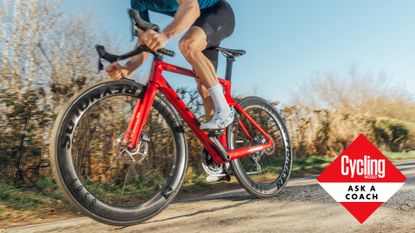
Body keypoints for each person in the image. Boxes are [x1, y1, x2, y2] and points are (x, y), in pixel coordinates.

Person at [106, 0, 236, 131]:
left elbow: (192, 7)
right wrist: (127, 68)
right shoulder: (138, 3)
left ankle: (224, 109)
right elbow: (145, 41)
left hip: (219, 13)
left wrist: (165, 35)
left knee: (187, 45)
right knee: (203, 84)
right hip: (198, 24)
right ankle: (217, 147)